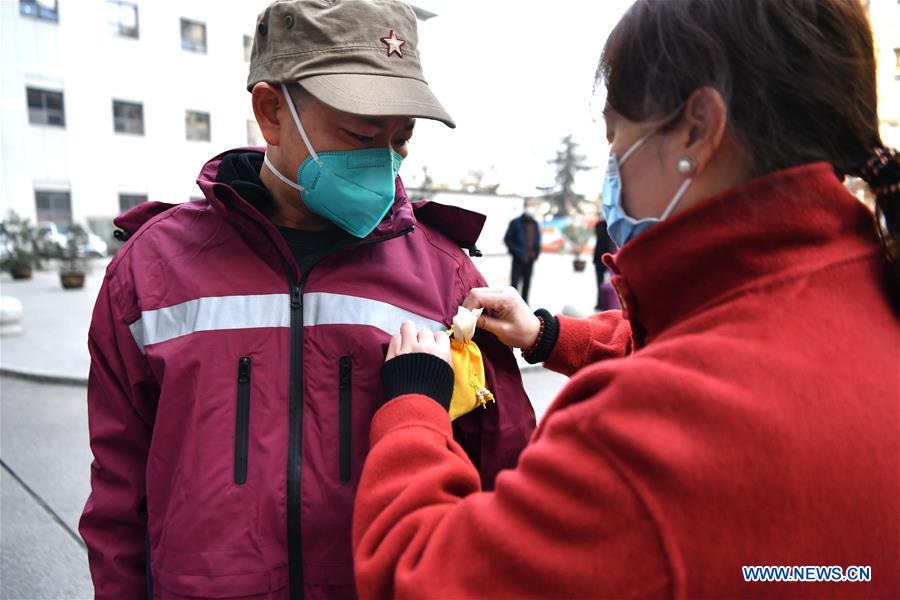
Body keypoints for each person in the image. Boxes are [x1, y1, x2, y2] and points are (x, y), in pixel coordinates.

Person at [352, 0, 900, 597]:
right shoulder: (869, 293)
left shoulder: (648, 435)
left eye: (617, 140)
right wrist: (547, 334)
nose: (611, 173)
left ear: (697, 128)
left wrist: (413, 411)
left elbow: (423, 577)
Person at [78, 1, 535, 598]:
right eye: (361, 134)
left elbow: (504, 477)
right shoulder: (151, 270)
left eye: (402, 138)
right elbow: (118, 486)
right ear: (271, 112)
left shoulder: (445, 276)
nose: (385, 159)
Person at [503, 201, 542, 303]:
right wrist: (517, 252)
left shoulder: (535, 224)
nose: (530, 208)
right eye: (529, 206)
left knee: (527, 284)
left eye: (532, 206)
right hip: (518, 259)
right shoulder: (515, 223)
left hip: (530, 259)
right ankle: (511, 305)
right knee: (514, 285)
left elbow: (537, 239)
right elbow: (507, 239)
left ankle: (525, 306)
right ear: (524, 207)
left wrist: (536, 253)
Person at [593, 216, 616, 310]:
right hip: (601, 258)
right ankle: (602, 303)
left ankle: (606, 303)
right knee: (600, 282)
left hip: (608, 258)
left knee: (608, 282)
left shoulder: (605, 225)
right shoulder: (602, 225)